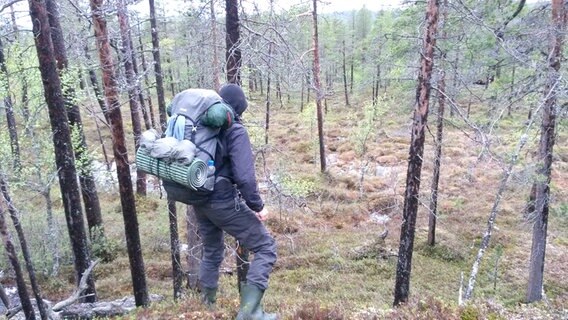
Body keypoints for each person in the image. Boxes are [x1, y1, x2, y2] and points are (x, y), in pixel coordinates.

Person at [193, 83, 278, 320]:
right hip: (221, 199)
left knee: (212, 250)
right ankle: (250, 313)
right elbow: (244, 177)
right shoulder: (236, 131)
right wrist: (258, 207)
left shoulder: (202, 127)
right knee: (265, 247)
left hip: (200, 198)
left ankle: (205, 307)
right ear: (239, 108)